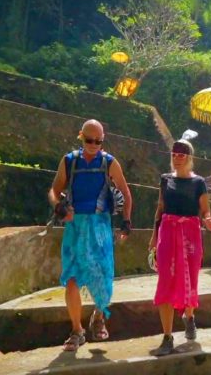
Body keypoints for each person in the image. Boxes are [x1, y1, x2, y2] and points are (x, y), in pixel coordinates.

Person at [48, 119, 133, 351]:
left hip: (100, 227)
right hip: (75, 226)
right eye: (89, 140)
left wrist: (126, 223)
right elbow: (54, 191)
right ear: (80, 136)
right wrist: (59, 207)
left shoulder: (109, 163)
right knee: (72, 279)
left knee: (102, 276)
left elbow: (126, 192)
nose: (94, 144)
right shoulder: (69, 161)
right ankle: (77, 330)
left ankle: (98, 317)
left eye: (98, 141)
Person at [148, 137, 211, 356]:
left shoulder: (198, 182)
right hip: (168, 233)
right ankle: (167, 337)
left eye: (181, 154)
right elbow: (160, 209)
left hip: (191, 236)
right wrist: (154, 237)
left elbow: (205, 211)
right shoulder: (165, 180)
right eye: (174, 154)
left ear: (189, 157)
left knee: (190, 280)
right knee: (165, 281)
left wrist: (208, 220)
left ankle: (189, 316)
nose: (177, 158)